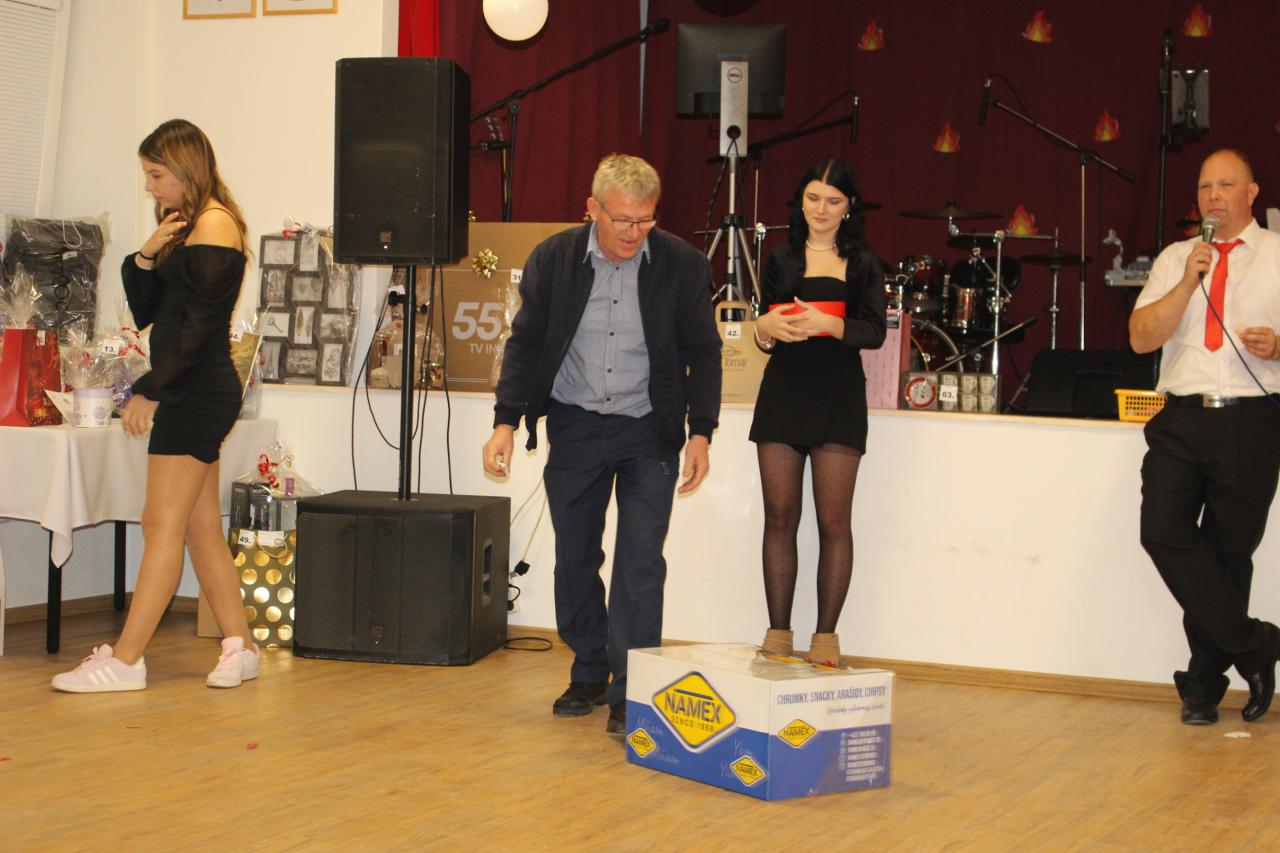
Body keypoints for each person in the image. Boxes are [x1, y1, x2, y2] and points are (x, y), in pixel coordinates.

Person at [481, 154, 722, 735]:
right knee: (576, 557)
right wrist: (505, 421)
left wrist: (701, 432)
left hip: (649, 429)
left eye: (645, 220)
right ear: (592, 209)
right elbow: (525, 342)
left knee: (641, 562)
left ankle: (630, 692)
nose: (634, 233)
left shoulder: (682, 265)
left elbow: (703, 351)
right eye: (621, 220)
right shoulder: (554, 259)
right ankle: (589, 669)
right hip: (576, 425)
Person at [52, 119, 258, 692]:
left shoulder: (215, 224)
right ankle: (240, 647)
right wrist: (146, 253)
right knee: (197, 526)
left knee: (160, 523)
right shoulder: (186, 226)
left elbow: (196, 329)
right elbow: (150, 313)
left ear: (186, 169)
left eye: (156, 174)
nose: (149, 186)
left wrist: (150, 390)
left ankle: (127, 660)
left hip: (197, 389)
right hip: (192, 385)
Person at [1130, 148, 1280, 725]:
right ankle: (1256, 644)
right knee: (1161, 531)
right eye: (1204, 187)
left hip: (1251, 419)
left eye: (1226, 185)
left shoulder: (1275, 256)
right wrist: (1189, 281)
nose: (1213, 196)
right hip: (1182, 418)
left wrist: (1279, 347)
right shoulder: (1177, 259)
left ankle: (1203, 683)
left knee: (1227, 555)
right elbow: (1141, 338)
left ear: (1252, 192)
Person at [749, 158, 886, 666]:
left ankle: (825, 638)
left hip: (838, 396)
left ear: (849, 207)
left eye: (833, 201)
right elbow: (764, 331)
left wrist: (829, 325)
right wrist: (763, 328)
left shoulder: (865, 261)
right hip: (783, 392)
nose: (821, 209)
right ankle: (778, 633)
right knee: (779, 518)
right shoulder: (781, 256)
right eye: (813, 198)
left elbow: (875, 331)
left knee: (833, 522)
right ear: (800, 201)